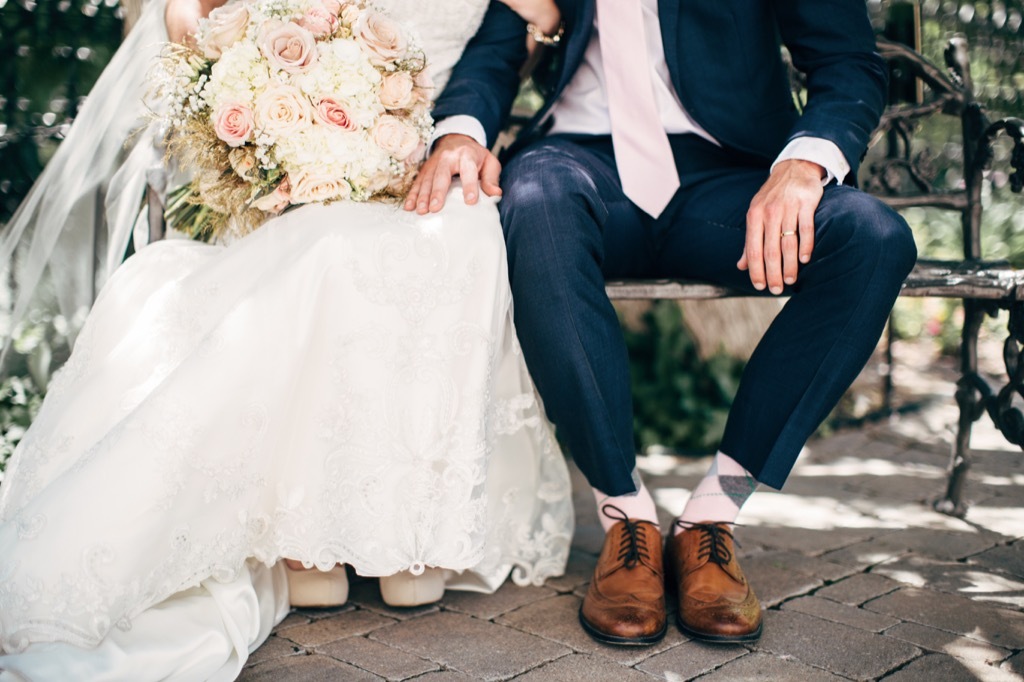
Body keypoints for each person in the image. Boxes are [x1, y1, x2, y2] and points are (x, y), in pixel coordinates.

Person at [0, 0, 573, 678]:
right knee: (327, 248)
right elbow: (193, 24)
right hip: (295, 176)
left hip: (425, 161)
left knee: (460, 229)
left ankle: (414, 535)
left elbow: (522, 38)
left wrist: (454, 131)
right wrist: (269, 109)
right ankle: (309, 537)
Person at [411, 0, 918, 646]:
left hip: (733, 176)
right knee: (534, 201)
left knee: (874, 241)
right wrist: (461, 131)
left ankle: (712, 518)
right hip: (581, 164)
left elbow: (847, 62)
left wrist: (804, 166)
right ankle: (626, 519)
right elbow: (498, 45)